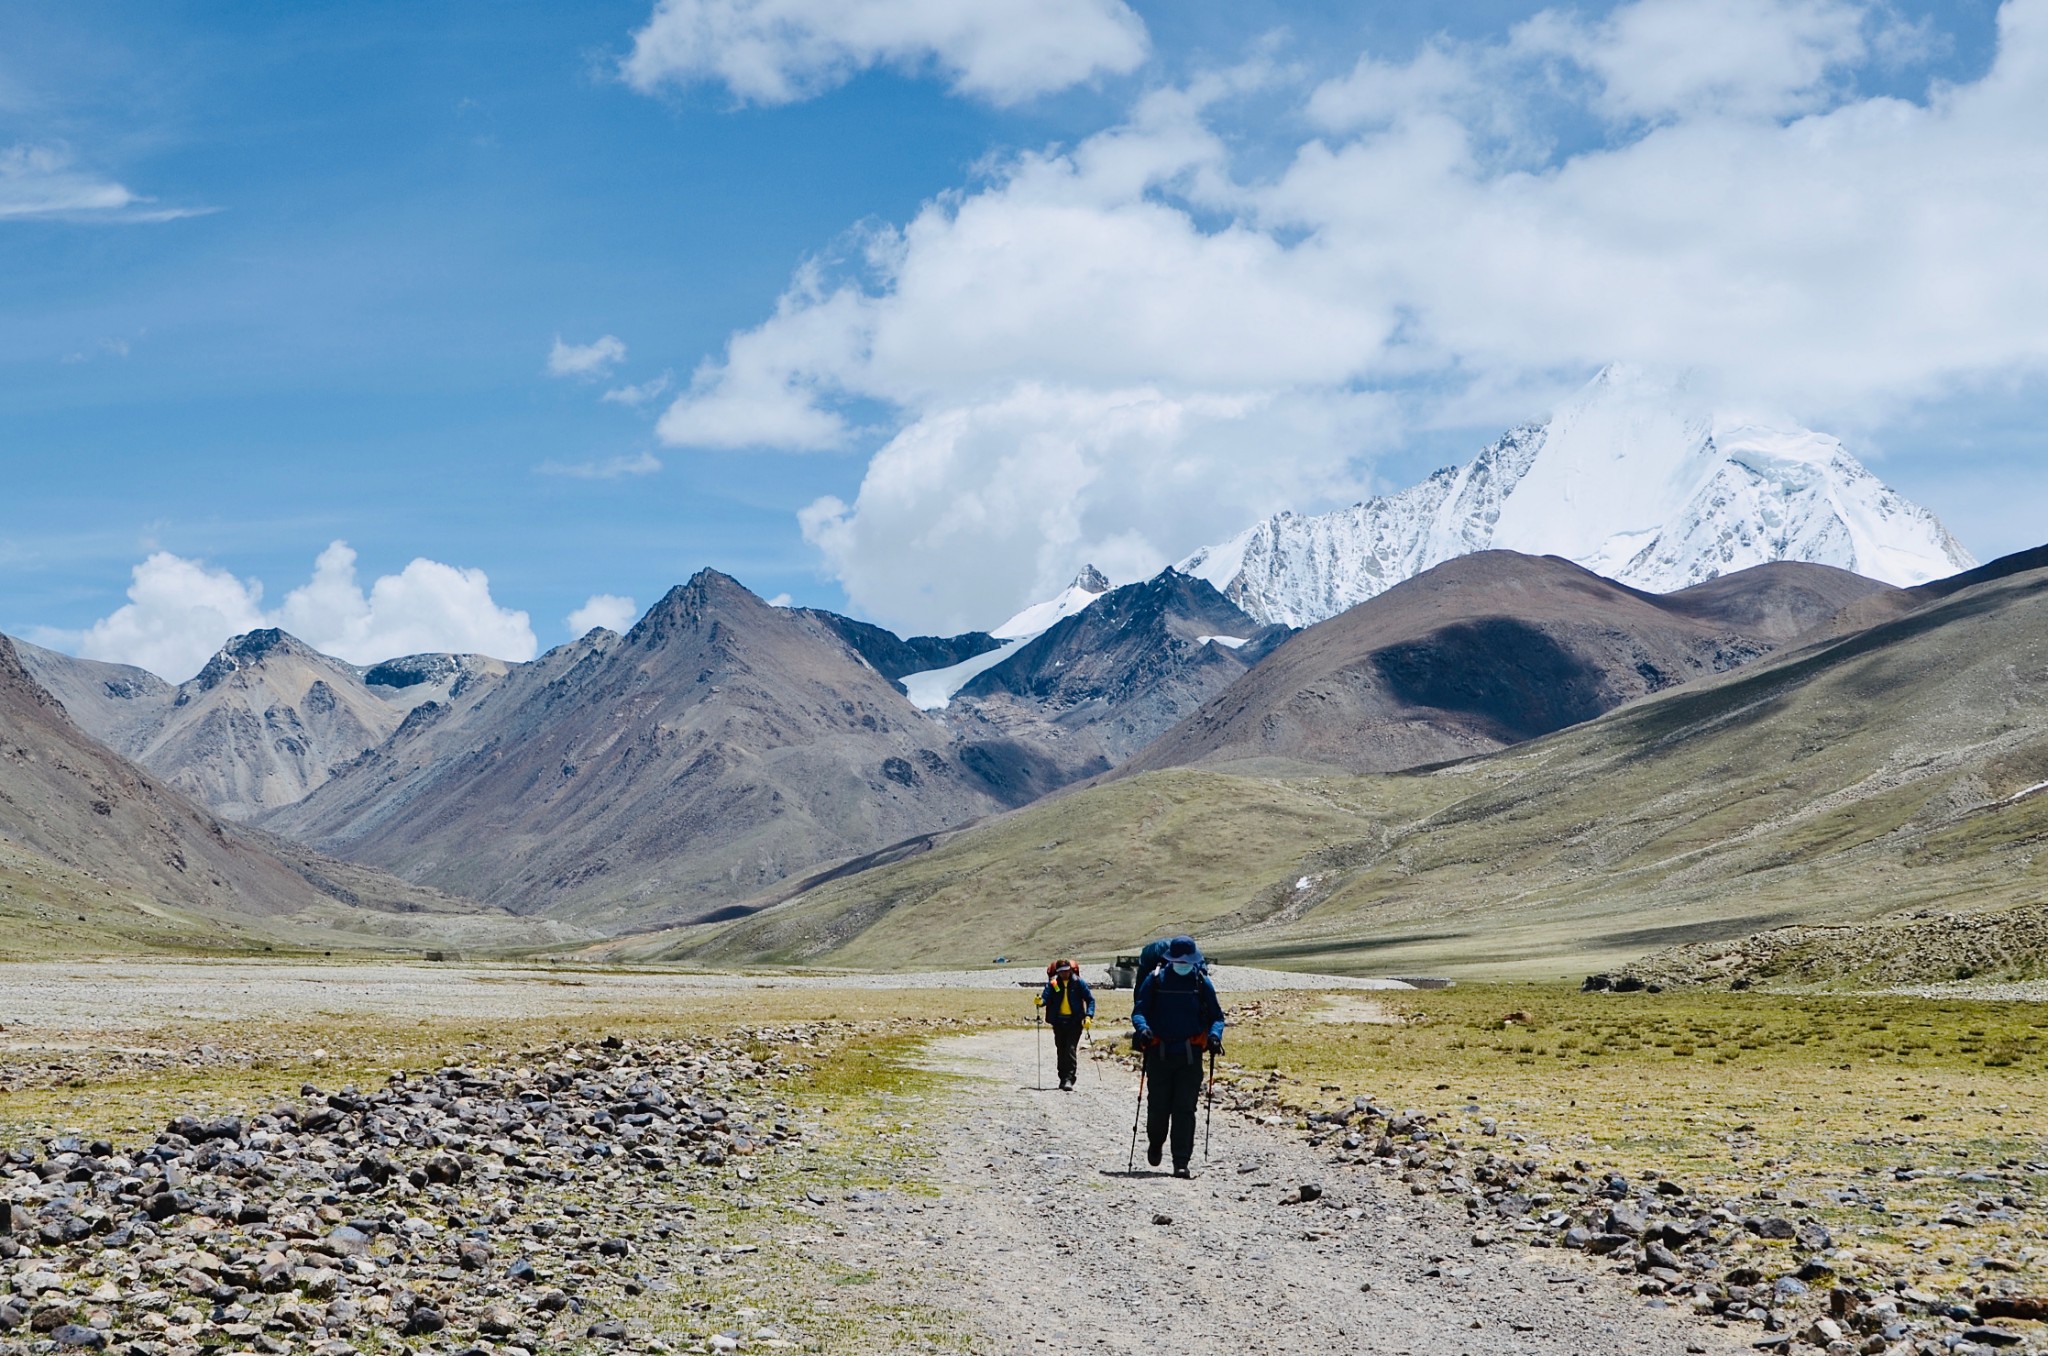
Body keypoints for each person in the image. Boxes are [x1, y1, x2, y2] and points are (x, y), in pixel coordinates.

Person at [1130, 934, 1225, 1178]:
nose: (1183, 964)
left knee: (1185, 1109)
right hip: (1159, 1053)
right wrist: (1143, 1029)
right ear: (1171, 959)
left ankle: (1181, 1161)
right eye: (1179, 960)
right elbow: (1139, 1011)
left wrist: (1215, 1036)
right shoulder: (1155, 980)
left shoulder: (1201, 982)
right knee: (1158, 1107)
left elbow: (1217, 1016)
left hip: (1190, 1056)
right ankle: (1156, 1142)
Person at [1037, 958, 1095, 1091]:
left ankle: (1069, 1079)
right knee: (1061, 1050)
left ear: (1070, 969)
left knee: (1070, 1049)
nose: (1065, 973)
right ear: (1057, 972)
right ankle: (1062, 1078)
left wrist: (1088, 1016)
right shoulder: (1053, 983)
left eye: (1067, 970)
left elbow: (1090, 1000)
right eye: (1061, 971)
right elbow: (1046, 997)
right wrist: (1040, 1001)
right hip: (1058, 1022)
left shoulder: (1078, 983)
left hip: (1075, 1022)